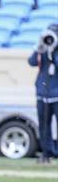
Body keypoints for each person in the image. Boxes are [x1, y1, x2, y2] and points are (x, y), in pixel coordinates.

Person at [28, 23, 58, 164]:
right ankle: (47, 153)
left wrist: (53, 51)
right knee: (44, 125)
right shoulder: (43, 47)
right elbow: (32, 62)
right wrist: (39, 48)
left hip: (56, 94)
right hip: (43, 93)